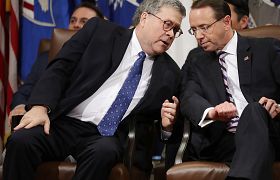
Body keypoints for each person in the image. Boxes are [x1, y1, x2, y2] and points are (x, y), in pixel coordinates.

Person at [3, 0, 186, 179]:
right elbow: (61, 67)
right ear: (145, 18)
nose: (170, 34)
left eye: (176, 30)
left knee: (104, 151)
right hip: (64, 122)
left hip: (104, 136)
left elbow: (167, 127)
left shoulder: (170, 74)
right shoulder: (100, 31)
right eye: (167, 24)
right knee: (21, 141)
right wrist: (40, 107)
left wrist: (166, 127)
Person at [176, 0, 280, 180]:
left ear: (226, 22)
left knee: (254, 109)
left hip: (270, 135)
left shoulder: (266, 49)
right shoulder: (196, 59)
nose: (199, 36)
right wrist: (212, 112)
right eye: (194, 29)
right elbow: (188, 96)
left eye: (204, 27)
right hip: (223, 141)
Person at [9, 2, 104, 124]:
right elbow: (24, 91)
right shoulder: (47, 57)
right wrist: (20, 106)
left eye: (84, 22)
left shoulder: (104, 61)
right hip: (45, 122)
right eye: (73, 21)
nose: (76, 25)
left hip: (84, 127)